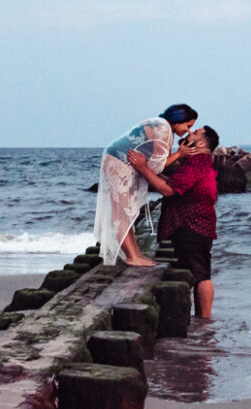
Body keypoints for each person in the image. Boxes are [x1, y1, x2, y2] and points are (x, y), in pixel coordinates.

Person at [128, 125, 220, 319]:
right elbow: (174, 184)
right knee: (193, 272)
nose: (189, 133)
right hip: (192, 225)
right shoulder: (197, 163)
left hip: (193, 226)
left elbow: (168, 190)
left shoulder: (198, 162)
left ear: (201, 143)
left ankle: (204, 322)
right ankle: (198, 320)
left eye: (195, 133)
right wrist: (151, 173)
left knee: (201, 274)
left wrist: (143, 168)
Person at [94, 104, 198, 267]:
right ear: (178, 121)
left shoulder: (160, 125)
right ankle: (131, 257)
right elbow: (157, 166)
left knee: (124, 211)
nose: (189, 131)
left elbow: (152, 162)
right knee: (122, 212)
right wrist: (179, 154)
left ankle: (134, 254)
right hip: (119, 163)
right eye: (188, 126)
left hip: (117, 160)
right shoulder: (163, 128)